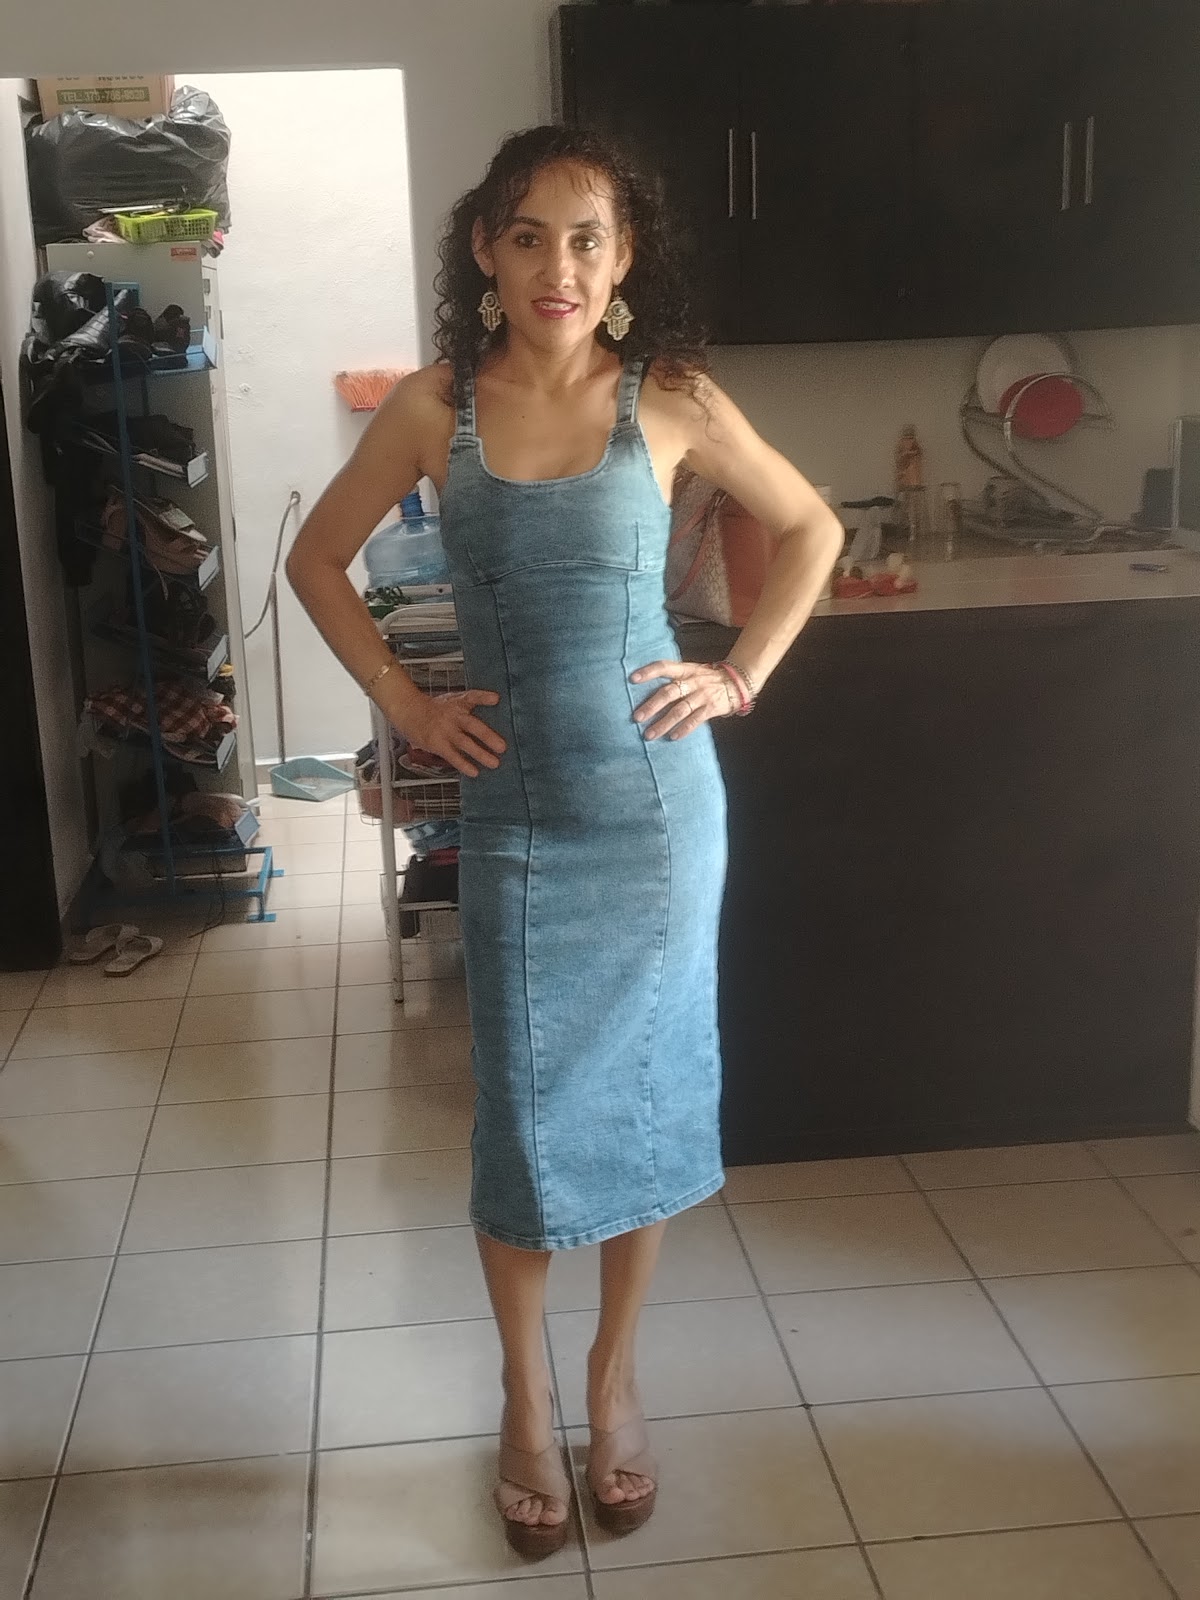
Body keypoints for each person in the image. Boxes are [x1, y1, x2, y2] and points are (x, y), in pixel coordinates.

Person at [287, 124, 842, 1558]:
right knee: (526, 1122)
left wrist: (739, 675)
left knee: (648, 1103)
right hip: (518, 824)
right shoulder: (437, 406)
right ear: (485, 250)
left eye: (588, 237)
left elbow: (812, 529)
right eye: (528, 234)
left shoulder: (671, 396)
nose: (559, 266)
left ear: (624, 256)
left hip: (660, 821)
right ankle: (525, 1398)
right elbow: (315, 559)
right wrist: (405, 702)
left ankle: (615, 1381)